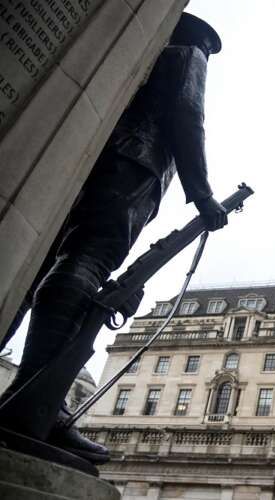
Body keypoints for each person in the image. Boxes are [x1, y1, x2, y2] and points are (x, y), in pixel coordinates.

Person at [0, 12, 227, 465]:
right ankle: (35, 402)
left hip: (99, 163)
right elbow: (188, 115)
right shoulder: (188, 52)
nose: (206, 55)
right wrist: (203, 196)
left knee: (55, 262)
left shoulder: (139, 63)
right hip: (132, 165)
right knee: (87, 260)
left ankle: (35, 398)